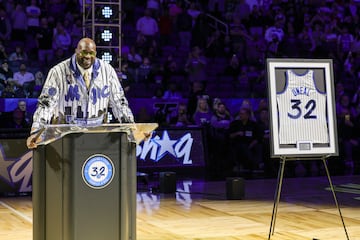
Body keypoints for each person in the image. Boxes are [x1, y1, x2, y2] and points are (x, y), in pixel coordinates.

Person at [26, 38, 135, 149]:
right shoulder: (57, 72)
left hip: (97, 137)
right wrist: (37, 131)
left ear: (95, 54)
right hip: (64, 138)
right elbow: (46, 104)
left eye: (91, 53)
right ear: (76, 51)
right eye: (84, 52)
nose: (87, 56)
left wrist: (131, 128)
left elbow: (119, 102)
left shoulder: (108, 71)